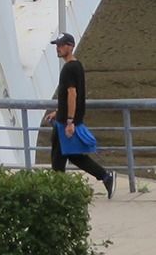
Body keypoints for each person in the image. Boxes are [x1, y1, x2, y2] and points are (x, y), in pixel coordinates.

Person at [44, 33, 115, 198]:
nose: (58, 48)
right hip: (65, 119)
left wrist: (69, 121)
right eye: (57, 45)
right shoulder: (77, 66)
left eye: (61, 45)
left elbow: (72, 94)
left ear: (70, 46)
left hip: (65, 123)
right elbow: (70, 96)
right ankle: (105, 176)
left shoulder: (69, 68)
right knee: (73, 156)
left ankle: (57, 192)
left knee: (58, 159)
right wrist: (59, 112)